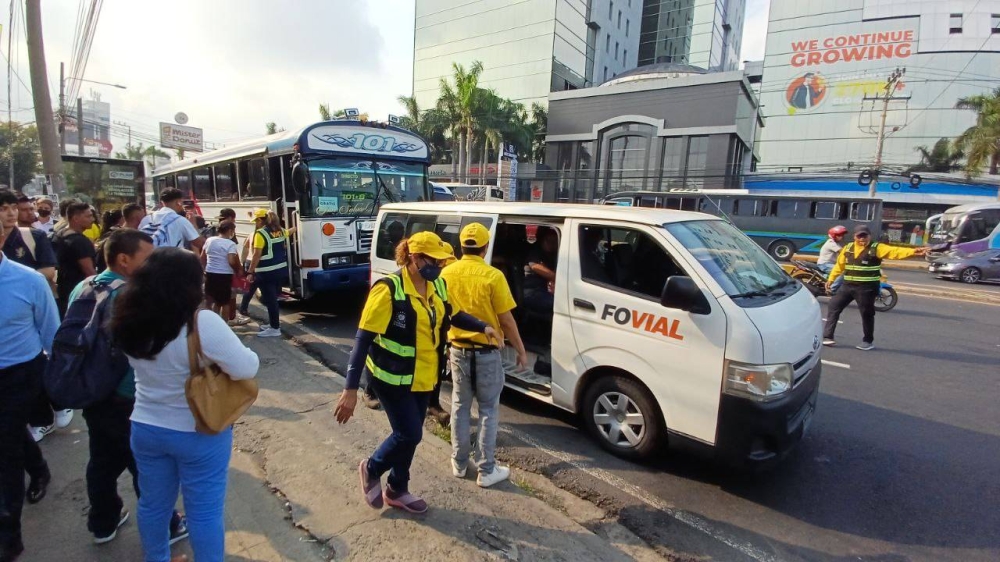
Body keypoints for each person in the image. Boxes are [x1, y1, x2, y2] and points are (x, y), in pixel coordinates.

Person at [333, 231, 501, 514]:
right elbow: (362, 340)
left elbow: (454, 314)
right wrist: (349, 389)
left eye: (441, 261)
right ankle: (372, 468)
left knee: (409, 433)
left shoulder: (438, 286)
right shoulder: (388, 290)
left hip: (424, 376)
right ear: (414, 258)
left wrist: (483, 326)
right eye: (433, 260)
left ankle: (397, 488)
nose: (439, 266)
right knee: (409, 434)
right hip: (390, 378)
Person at [110, 248, 259, 562]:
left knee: (153, 505)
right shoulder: (201, 322)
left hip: (146, 426)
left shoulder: (128, 317)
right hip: (198, 430)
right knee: (204, 512)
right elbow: (246, 368)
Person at [66, 229, 190, 546]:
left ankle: (103, 522)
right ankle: (167, 527)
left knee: (102, 460)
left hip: (92, 392)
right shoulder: (134, 295)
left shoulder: (85, 286)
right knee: (146, 468)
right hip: (128, 395)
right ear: (124, 259)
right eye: (147, 258)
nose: (153, 265)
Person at [441, 223, 528, 487]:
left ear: (461, 245)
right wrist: (520, 350)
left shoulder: (446, 272)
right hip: (487, 353)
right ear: (485, 246)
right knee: (488, 410)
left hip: (457, 350)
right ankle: (486, 470)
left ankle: (459, 463)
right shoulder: (493, 276)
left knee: (460, 406)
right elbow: (507, 320)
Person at [0, 214, 58, 562]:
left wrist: (58, 386)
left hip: (20, 374)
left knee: (4, 449)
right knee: (9, 434)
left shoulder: (28, 281)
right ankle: (38, 469)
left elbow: (52, 333)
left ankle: (9, 536)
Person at [823, 225, 928, 350]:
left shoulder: (876, 248)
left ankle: (867, 341)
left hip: (866, 288)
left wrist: (914, 251)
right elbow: (839, 266)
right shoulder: (848, 248)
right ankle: (828, 337)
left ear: (869, 236)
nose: (862, 239)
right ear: (854, 237)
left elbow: (895, 252)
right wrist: (831, 279)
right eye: (859, 236)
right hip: (848, 286)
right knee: (834, 305)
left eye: (864, 236)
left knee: (866, 313)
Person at [244, 210, 294, 338]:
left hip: (266, 272)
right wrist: (297, 227)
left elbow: (256, 255)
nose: (255, 223)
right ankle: (273, 324)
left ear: (261, 220)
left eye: (256, 220)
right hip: (280, 271)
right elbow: (289, 232)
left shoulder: (261, 233)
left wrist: (250, 271)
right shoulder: (280, 231)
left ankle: (274, 328)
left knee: (270, 301)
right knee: (273, 299)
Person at [2, 192, 57, 289]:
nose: (11, 213)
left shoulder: (35, 236)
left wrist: (11, 282)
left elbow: (48, 271)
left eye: (14, 208)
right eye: (3, 209)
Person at [52, 201, 97, 318]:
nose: (92, 219)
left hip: (62, 291)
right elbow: (89, 272)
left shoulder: (59, 234)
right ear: (76, 218)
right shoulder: (79, 241)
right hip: (79, 294)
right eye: (88, 216)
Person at [202, 221, 245, 323]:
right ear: (230, 231)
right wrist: (237, 270)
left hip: (210, 273)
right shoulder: (230, 244)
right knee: (225, 302)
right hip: (224, 275)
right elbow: (231, 261)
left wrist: (203, 270)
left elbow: (202, 256)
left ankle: (210, 322)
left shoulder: (209, 240)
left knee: (210, 300)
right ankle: (224, 324)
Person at [523, 227, 558, 316]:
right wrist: (557, 278)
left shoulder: (551, 255)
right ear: (542, 240)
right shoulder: (535, 253)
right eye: (548, 240)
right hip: (532, 292)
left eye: (554, 241)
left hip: (544, 290)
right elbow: (536, 267)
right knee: (559, 304)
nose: (551, 244)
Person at [817, 225, 847, 293]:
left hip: (830, 263)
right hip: (825, 264)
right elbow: (843, 252)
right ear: (834, 235)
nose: (842, 237)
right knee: (841, 273)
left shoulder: (836, 243)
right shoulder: (831, 243)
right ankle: (831, 289)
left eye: (842, 235)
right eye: (839, 235)